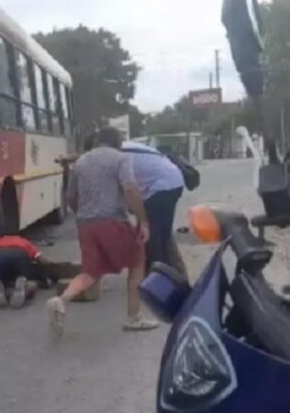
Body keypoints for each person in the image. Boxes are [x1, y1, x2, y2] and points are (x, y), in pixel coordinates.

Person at [46, 127, 159, 335]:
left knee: (91, 272)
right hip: (113, 221)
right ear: (117, 142)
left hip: (86, 226)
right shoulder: (120, 158)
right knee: (137, 261)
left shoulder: (80, 162)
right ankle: (133, 318)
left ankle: (60, 300)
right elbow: (130, 189)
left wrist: (85, 213)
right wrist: (143, 221)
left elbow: (70, 196)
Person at [121, 140, 185, 274]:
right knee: (161, 235)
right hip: (170, 182)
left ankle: (159, 276)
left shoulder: (120, 155)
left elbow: (129, 189)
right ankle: (170, 272)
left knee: (152, 237)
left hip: (163, 187)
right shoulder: (124, 148)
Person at [0, 234, 53, 308]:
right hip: (20, 255)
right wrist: (46, 278)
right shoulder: (24, 242)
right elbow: (44, 261)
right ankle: (23, 285)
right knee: (24, 278)